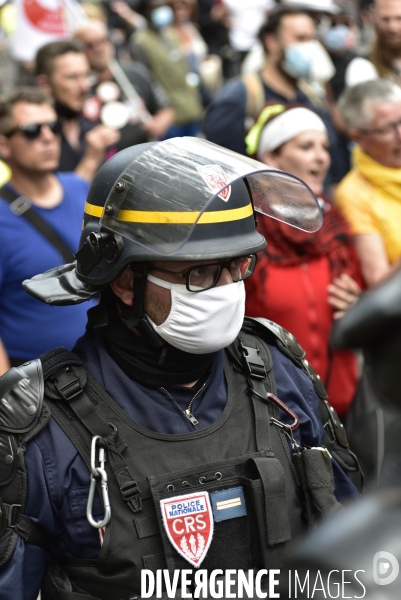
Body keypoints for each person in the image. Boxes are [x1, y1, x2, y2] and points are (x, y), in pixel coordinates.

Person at [0, 138, 359, 599]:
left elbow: (350, 545)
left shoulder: (276, 370)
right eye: (202, 273)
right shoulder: (38, 425)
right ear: (126, 282)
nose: (228, 290)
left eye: (237, 265)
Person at [244, 104, 363, 418]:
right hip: (273, 407)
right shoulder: (247, 232)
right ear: (271, 157)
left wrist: (357, 303)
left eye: (324, 147)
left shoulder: (336, 225)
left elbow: (360, 297)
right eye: (306, 146)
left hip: (340, 407)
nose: (321, 157)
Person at [0, 87, 95, 371]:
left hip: (100, 369)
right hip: (38, 383)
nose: (48, 136)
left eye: (53, 126)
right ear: (4, 146)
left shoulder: (81, 188)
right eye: (31, 130)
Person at [203, 6, 347, 186]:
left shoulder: (313, 97)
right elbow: (222, 175)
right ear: (271, 41)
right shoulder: (241, 97)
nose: (310, 48)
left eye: (312, 39)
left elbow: (334, 168)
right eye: (300, 38)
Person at [336, 78, 401, 288]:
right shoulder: (354, 193)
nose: (400, 135)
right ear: (358, 137)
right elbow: (378, 281)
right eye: (387, 129)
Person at [73, 19, 174, 147]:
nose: (99, 49)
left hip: (142, 152)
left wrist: (158, 124)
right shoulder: (79, 88)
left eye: (103, 41)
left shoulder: (136, 73)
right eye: (90, 45)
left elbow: (166, 109)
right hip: (103, 162)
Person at [35, 40, 120, 181]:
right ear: (44, 84)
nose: (85, 86)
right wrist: (91, 160)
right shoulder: (34, 139)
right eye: (72, 77)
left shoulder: (94, 130)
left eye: (87, 75)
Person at [130, 0, 204, 138]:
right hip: (169, 118)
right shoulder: (140, 42)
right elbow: (146, 81)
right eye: (156, 8)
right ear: (146, 13)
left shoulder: (171, 34)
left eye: (164, 7)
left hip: (190, 108)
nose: (163, 11)